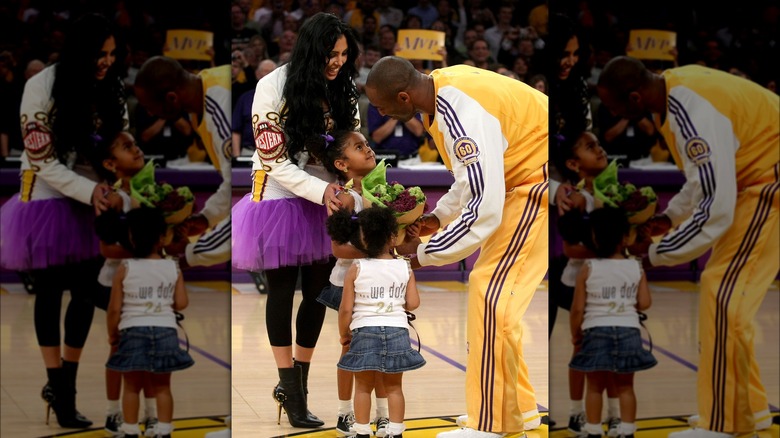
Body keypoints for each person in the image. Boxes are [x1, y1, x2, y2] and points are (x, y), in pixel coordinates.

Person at [596, 55, 779, 438]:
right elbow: (703, 181)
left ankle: (723, 424)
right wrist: (669, 218)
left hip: (768, 185)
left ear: (633, 99)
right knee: (727, 299)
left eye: (613, 107)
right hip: (757, 182)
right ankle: (750, 409)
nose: (611, 115)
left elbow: (717, 206)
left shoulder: (689, 109)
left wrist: (656, 251)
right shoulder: (678, 89)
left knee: (723, 295)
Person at [365, 56, 548, 437]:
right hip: (522, 181)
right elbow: (472, 177)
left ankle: (490, 424)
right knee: (497, 301)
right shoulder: (441, 92)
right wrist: (438, 218)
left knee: (491, 295)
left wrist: (423, 254)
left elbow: (485, 206)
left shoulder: (460, 110)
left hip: (537, 183)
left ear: (402, 97)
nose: (379, 113)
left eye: (382, 106)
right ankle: (518, 408)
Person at [231, 11, 361, 428]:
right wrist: (323, 190)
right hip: (279, 193)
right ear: (310, 48)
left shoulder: (345, 88)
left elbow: (353, 150)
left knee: (319, 293)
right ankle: (287, 383)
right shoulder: (272, 85)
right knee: (282, 292)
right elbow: (273, 161)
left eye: (343, 53)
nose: (338, 61)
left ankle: (299, 383)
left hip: (327, 196)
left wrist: (350, 190)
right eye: (331, 52)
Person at [0, 12, 127, 429]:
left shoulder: (112, 87)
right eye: (100, 54)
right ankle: (58, 386)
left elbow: (120, 144)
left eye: (112, 53)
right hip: (46, 194)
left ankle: (66, 383)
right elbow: (42, 160)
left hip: (93, 196)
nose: (107, 61)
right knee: (51, 292)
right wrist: (91, 190)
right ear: (80, 52)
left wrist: (117, 187)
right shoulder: (41, 85)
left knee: (85, 292)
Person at [308, 130, 396, 437]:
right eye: (359, 148)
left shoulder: (386, 194)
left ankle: (383, 415)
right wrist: (378, 251)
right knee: (350, 348)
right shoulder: (346, 199)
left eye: (368, 145)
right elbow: (337, 249)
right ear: (342, 164)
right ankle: (345, 413)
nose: (368, 150)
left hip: (382, 286)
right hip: (352, 286)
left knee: (384, 351)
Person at [327, 205, 426, 438]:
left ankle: (361, 432)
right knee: (394, 388)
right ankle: (396, 431)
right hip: (397, 332)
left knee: (362, 387)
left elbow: (345, 309)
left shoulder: (356, 267)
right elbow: (413, 303)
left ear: (363, 239)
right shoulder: (404, 266)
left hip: (364, 331)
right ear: (393, 237)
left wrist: (344, 334)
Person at [553, 131, 622, 437]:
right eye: (589, 147)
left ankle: (615, 413)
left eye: (598, 143)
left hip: (614, 284)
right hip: (579, 283)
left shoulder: (619, 193)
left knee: (615, 350)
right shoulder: (574, 198)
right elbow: (570, 249)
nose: (599, 149)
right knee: (582, 348)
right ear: (573, 163)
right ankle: (575, 413)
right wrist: (610, 251)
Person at [133, 55, 232, 270]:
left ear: (171, 98)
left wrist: (190, 254)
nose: (149, 113)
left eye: (150, 107)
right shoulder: (207, 86)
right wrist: (207, 217)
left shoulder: (221, 108)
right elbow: (234, 182)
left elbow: (255, 201)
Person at [105, 206, 194, 438]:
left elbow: (114, 309)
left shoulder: (125, 268)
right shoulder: (172, 266)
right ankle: (164, 431)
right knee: (163, 387)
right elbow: (182, 302)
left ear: (132, 237)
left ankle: (130, 430)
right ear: (163, 237)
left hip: (132, 331)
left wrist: (113, 334)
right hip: (166, 330)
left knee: (132, 386)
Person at [569, 206, 657, 438]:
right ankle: (627, 431)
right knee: (626, 386)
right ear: (625, 237)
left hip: (595, 331)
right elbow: (645, 302)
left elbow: (578, 309)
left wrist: (576, 334)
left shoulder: (588, 268)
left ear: (594, 237)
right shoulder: (635, 266)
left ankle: (593, 431)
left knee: (595, 386)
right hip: (629, 331)